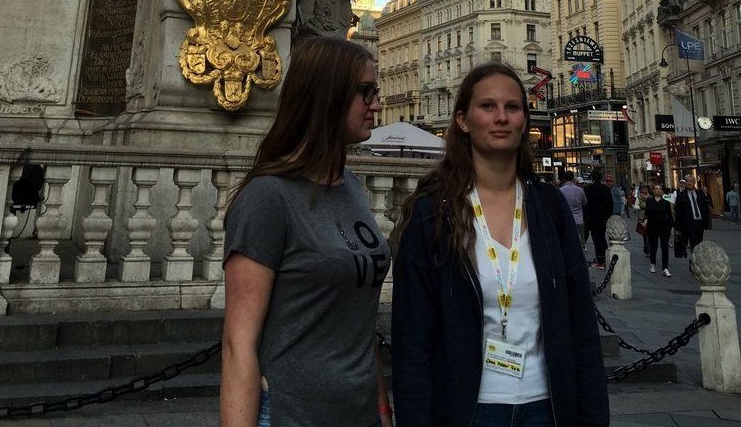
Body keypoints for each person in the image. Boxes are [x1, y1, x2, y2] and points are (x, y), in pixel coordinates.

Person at [392, 62, 609, 427]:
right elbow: (412, 339)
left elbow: (580, 322)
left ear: (524, 121)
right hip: (469, 411)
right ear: (463, 120)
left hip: (546, 407)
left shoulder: (549, 206)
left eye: (512, 107)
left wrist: (593, 416)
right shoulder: (433, 212)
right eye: (487, 106)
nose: (502, 118)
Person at [220, 36, 391, 427]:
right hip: (291, 413)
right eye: (366, 92)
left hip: (359, 411)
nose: (376, 104)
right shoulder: (268, 197)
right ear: (327, 95)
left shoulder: (350, 185)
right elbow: (238, 344)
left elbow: (358, 321)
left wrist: (382, 410)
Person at [584, 170, 614, 268]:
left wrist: (586, 217)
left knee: (596, 239)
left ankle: (600, 259)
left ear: (592, 178)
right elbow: (610, 204)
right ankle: (605, 257)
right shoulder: (606, 189)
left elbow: (586, 205)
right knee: (602, 237)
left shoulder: (588, 188)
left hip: (592, 218)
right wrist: (609, 216)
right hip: (604, 217)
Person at [674, 173, 711, 252]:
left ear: (694, 182)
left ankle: (697, 258)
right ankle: (694, 258)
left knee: (699, 243)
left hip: (700, 223)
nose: (689, 183)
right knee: (693, 243)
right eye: (687, 181)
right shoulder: (681, 196)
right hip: (689, 224)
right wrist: (677, 228)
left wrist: (706, 222)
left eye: (691, 181)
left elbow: (705, 209)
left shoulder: (700, 194)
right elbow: (678, 212)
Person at [644, 183, 674, 277]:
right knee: (653, 246)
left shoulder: (666, 203)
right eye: (656, 188)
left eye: (660, 189)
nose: (658, 190)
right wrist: (646, 221)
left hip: (664, 227)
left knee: (665, 248)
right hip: (652, 227)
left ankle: (665, 268)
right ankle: (652, 263)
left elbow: (670, 216)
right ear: (653, 191)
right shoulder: (649, 201)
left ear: (662, 191)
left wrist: (672, 227)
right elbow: (647, 214)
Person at [559, 170, 588, 246]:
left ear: (564, 178)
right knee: (581, 241)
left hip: (567, 219)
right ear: (573, 178)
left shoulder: (561, 190)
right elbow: (585, 203)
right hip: (579, 219)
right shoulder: (580, 190)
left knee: (568, 241)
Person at [636, 185, 650, 255]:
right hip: (642, 217)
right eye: (644, 189)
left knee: (649, 234)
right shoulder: (639, 197)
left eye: (646, 189)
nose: (645, 190)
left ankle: (648, 249)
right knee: (644, 234)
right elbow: (635, 206)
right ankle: (646, 247)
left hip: (649, 217)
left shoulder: (651, 197)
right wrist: (641, 206)